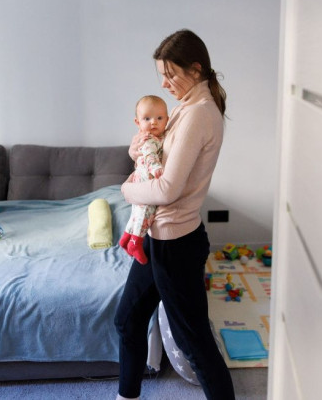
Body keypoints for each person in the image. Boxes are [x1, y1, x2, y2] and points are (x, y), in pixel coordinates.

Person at [115, 29, 235, 400]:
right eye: (161, 75)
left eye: (170, 74)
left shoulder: (198, 113)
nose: (164, 83)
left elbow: (167, 189)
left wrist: (125, 189)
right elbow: (158, 158)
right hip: (158, 238)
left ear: (196, 68)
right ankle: (127, 395)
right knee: (129, 320)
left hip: (175, 244)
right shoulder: (186, 105)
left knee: (193, 342)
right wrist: (139, 153)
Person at [119, 95, 169, 265]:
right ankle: (136, 242)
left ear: (167, 120)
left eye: (159, 118)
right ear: (137, 122)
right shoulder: (148, 139)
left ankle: (126, 238)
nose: (153, 122)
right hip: (146, 178)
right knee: (146, 211)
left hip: (140, 178)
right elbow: (149, 156)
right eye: (147, 118)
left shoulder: (160, 137)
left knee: (135, 212)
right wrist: (157, 169)